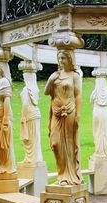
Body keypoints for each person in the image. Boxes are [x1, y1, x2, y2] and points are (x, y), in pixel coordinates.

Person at [45, 49, 82, 185]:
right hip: (56, 113)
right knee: (55, 143)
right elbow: (46, 92)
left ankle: (69, 176)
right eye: (59, 58)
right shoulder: (55, 75)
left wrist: (78, 114)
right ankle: (61, 174)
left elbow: (78, 95)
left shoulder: (74, 76)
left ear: (70, 60)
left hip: (69, 112)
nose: (61, 61)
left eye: (63, 58)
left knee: (69, 143)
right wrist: (50, 80)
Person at [0, 62, 16, 174]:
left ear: (0, 69)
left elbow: (7, 100)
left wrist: (5, 119)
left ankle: (5, 165)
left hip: (3, 116)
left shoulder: (5, 82)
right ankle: (1, 165)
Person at [20, 70, 43, 164]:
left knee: (30, 138)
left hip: (29, 115)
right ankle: (35, 157)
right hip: (35, 114)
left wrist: (23, 116)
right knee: (35, 137)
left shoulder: (27, 89)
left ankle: (32, 158)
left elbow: (25, 104)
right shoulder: (35, 88)